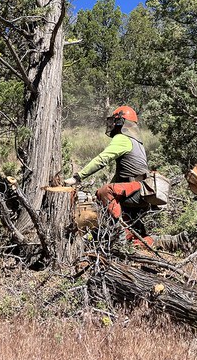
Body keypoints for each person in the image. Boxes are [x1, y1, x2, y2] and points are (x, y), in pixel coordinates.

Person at [64, 105, 188, 251]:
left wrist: (77, 177)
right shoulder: (138, 143)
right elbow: (121, 178)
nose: (112, 125)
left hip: (136, 190)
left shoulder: (123, 139)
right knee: (134, 238)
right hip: (140, 193)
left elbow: (102, 159)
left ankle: (117, 239)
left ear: (121, 122)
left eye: (115, 121)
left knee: (105, 192)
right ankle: (173, 241)